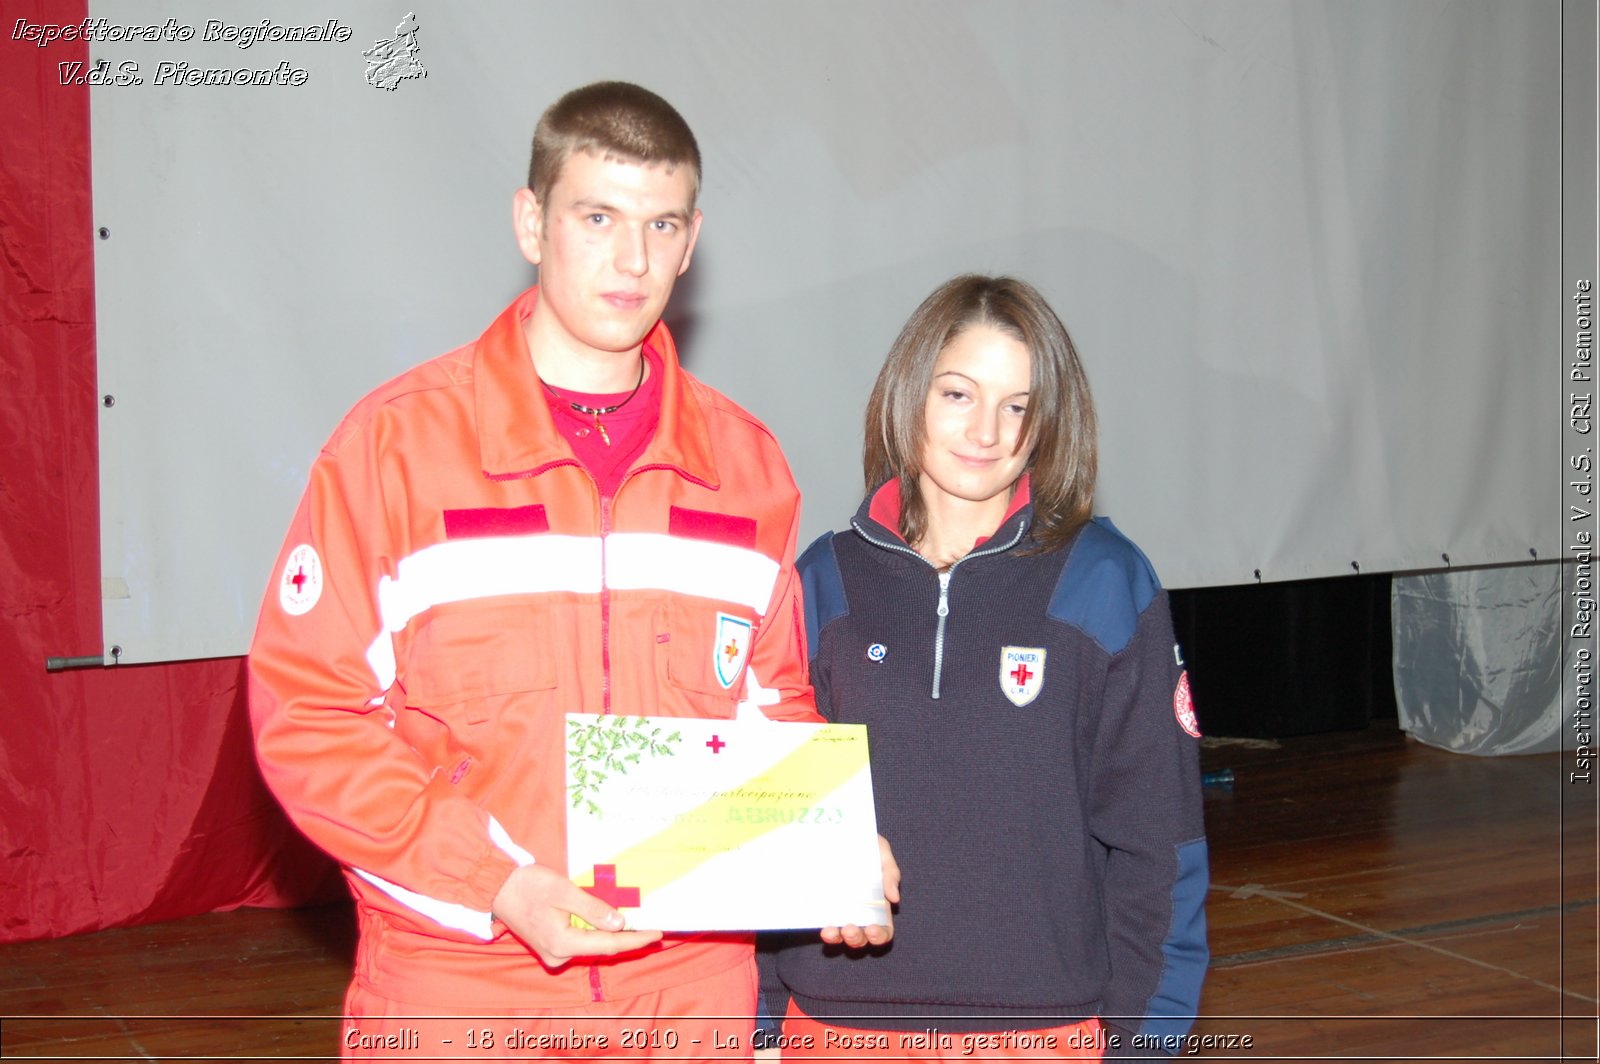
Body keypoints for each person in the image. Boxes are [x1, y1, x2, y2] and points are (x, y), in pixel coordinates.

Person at [248, 81, 892, 1061]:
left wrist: (824, 841)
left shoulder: (746, 466)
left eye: (659, 223)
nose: (631, 259)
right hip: (458, 978)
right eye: (597, 217)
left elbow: (769, 705)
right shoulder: (393, 448)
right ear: (530, 221)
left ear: (690, 240)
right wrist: (499, 885)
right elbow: (310, 715)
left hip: (687, 988)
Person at [763, 275, 1208, 1059]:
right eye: (959, 395)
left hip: (1042, 1029)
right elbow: (768, 822)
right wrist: (759, 1027)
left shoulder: (1105, 581)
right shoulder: (821, 580)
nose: (987, 432)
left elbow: (1160, 845)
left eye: (1018, 405)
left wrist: (1149, 1044)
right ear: (910, 396)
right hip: (834, 1027)